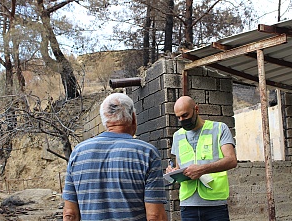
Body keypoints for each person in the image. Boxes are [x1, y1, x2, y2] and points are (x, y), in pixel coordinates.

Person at [63, 93, 167, 221]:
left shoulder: (78, 153)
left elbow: (69, 214)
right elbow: (155, 216)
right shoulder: (147, 153)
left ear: (104, 121)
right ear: (133, 118)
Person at [166, 96, 237, 221]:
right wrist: (172, 172)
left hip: (215, 205)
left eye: (185, 115)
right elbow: (178, 166)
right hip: (188, 205)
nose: (182, 120)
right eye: (179, 117)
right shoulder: (177, 136)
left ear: (196, 109)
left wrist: (202, 169)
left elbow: (231, 160)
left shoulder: (219, 128)